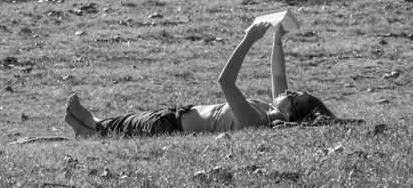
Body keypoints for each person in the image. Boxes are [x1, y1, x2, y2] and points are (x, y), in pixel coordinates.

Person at [65, 22, 340, 137]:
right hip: (176, 114)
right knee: (119, 122)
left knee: (114, 127)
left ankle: (89, 127)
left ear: (289, 111)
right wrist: (277, 40)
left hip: (168, 126)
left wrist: (248, 40)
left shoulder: (256, 121)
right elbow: (279, 76)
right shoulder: (271, 110)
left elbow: (226, 82)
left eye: (291, 95)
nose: (287, 89)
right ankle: (89, 125)